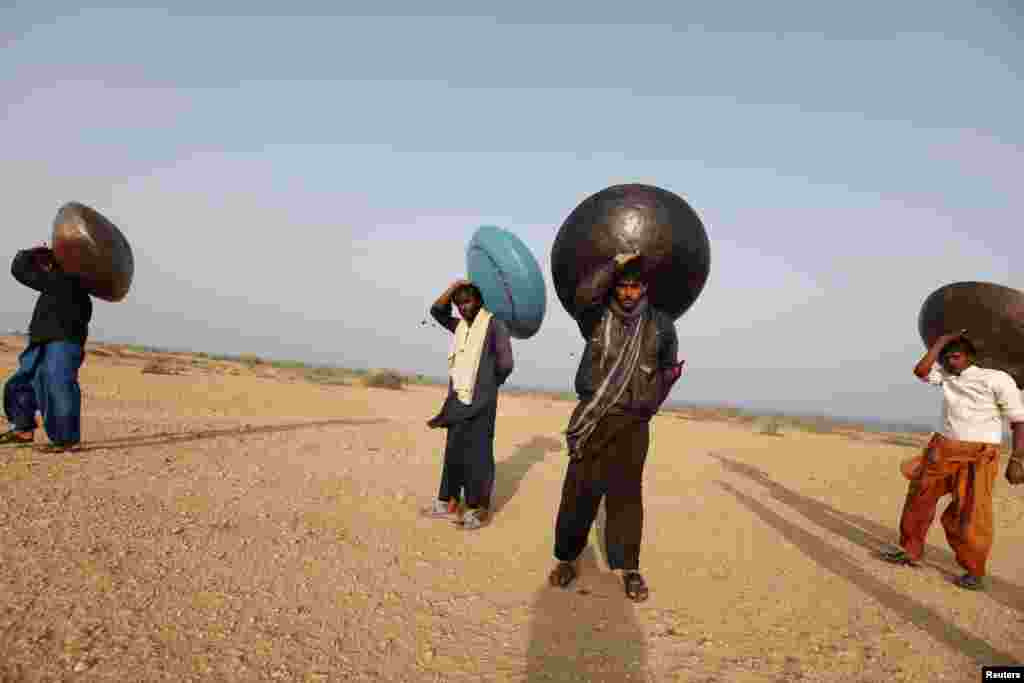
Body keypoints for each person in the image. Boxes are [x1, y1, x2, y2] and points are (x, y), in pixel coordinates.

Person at [548, 252, 685, 601]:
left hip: (633, 424)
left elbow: (668, 370)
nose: (627, 292)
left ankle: (629, 568)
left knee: (625, 497)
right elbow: (582, 296)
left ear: (644, 288)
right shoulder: (594, 318)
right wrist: (614, 263)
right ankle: (566, 558)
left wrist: (648, 405)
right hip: (594, 418)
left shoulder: (662, 325)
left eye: (634, 286)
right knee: (579, 492)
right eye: (622, 285)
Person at [880, 330, 1024, 590]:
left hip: (980, 454)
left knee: (972, 510)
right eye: (945, 358)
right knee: (919, 496)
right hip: (943, 448)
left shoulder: (997, 379)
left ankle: (974, 570)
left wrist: (1017, 459)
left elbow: (1018, 421)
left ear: (970, 357)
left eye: (955, 356)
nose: (949, 362)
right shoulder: (946, 377)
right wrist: (940, 343)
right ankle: (910, 550)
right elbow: (920, 371)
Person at [422, 278, 514, 530]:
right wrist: (452, 287)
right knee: (454, 450)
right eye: (459, 303)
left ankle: (477, 507)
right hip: (458, 400)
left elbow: (506, 363)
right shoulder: (460, 326)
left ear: (479, 301)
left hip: (482, 401)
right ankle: (448, 501)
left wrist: (487, 383)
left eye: (468, 301)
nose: (463, 307)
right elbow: (436, 311)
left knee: (479, 455)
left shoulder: (494, 325)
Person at [1, 243, 93, 452]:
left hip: (62, 344)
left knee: (58, 387)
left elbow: (20, 269)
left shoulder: (64, 281)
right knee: (20, 384)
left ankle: (65, 440)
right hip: (41, 342)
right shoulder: (58, 283)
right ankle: (23, 429)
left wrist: (31, 252)